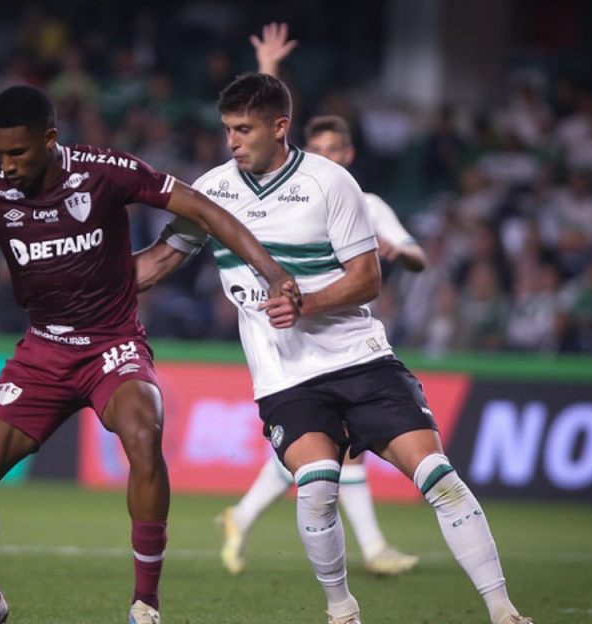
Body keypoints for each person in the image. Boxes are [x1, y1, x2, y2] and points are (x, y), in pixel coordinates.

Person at [0, 85, 299, 624]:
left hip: (113, 344)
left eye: (18, 153)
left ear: (49, 140)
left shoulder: (105, 171)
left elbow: (205, 210)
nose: (6, 165)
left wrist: (273, 272)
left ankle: (145, 602)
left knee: (144, 436)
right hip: (42, 352)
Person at [135, 71, 532, 624]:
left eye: (244, 129)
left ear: (280, 127)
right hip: (285, 378)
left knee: (440, 478)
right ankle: (341, 612)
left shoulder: (330, 183)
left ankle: (503, 611)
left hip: (360, 359)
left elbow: (368, 279)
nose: (232, 141)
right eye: (227, 129)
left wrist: (306, 305)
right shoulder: (212, 191)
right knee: (317, 486)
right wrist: (75, 284)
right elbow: (157, 262)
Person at [214, 23, 428, 579]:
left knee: (327, 461)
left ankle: (243, 515)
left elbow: (413, 256)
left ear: (350, 152)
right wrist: (268, 66)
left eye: (336, 147)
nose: (327, 154)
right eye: (321, 146)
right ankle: (370, 549)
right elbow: (264, 116)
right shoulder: (300, 186)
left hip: (353, 340)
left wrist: (399, 252)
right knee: (328, 458)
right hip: (301, 351)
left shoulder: (364, 199)